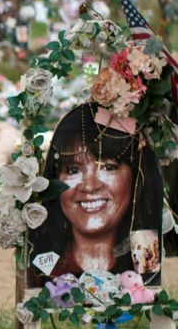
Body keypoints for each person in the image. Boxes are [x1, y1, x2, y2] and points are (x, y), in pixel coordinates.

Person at [28, 103, 163, 287]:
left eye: (108, 167)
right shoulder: (45, 267)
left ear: (136, 177)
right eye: (74, 169)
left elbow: (152, 293)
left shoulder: (145, 260)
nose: (89, 186)